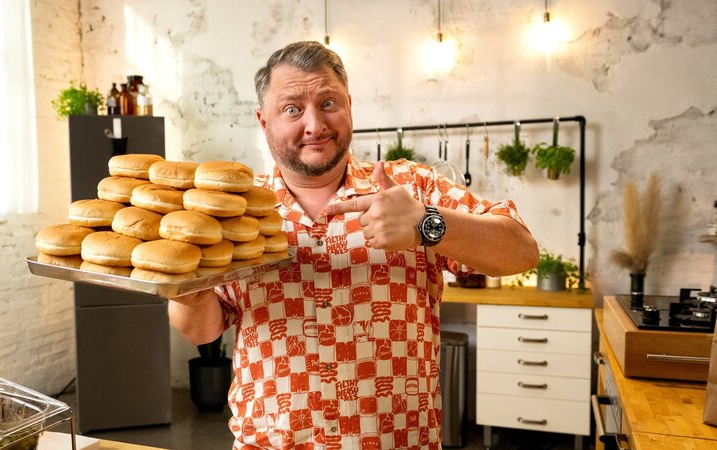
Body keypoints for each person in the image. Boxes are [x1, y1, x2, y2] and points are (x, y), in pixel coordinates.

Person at [168, 41, 539, 450]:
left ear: (349, 105)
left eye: (328, 103)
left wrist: (427, 224)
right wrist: (184, 279)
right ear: (263, 120)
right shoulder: (237, 211)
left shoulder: (411, 188)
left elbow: (521, 250)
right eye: (292, 109)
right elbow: (202, 329)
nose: (314, 124)